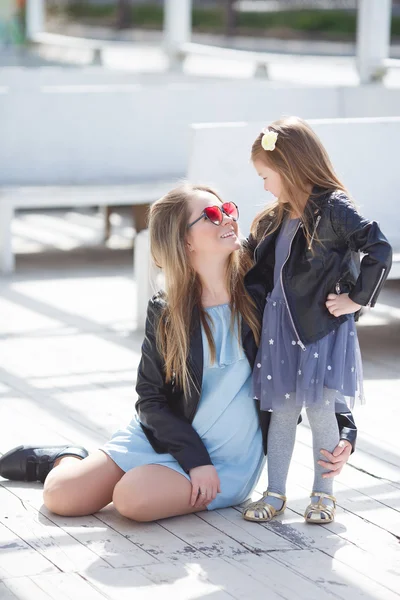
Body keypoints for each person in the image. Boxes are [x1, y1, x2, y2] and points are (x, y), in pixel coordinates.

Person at [0, 184, 357, 521]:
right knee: (62, 496)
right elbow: (150, 398)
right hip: (174, 438)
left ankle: (140, 474)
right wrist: (193, 459)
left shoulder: (265, 296)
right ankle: (67, 457)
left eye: (228, 209)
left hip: (228, 460)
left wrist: (344, 427)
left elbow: (317, 353)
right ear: (184, 240)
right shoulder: (167, 308)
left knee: (131, 499)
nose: (229, 218)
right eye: (213, 215)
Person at [242, 117, 392, 525]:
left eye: (265, 175)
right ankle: (274, 492)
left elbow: (379, 249)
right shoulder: (276, 217)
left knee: (322, 407)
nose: (264, 185)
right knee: (283, 410)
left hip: (318, 327)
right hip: (281, 328)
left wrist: (356, 300)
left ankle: (323, 494)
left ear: (289, 167)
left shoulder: (334, 207)